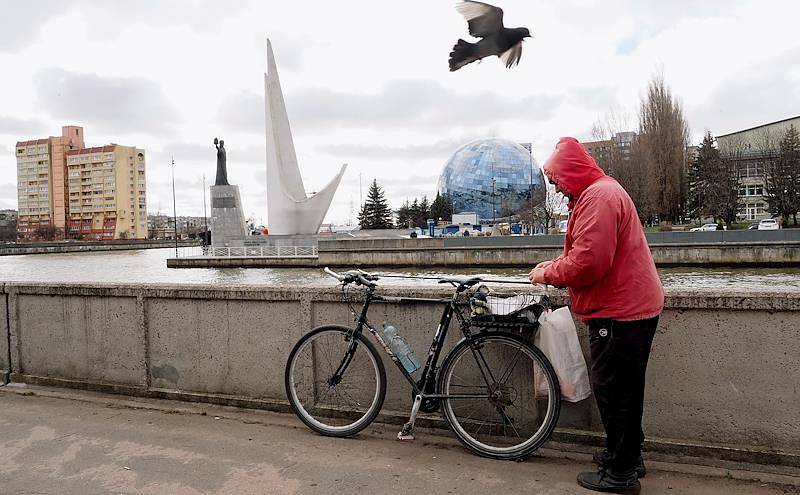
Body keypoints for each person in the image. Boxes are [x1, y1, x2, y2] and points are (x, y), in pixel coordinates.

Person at [529, 137, 664, 495]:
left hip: (619, 311)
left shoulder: (598, 198)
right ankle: (628, 457)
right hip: (632, 306)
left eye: (557, 180)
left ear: (571, 173)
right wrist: (555, 264)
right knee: (627, 390)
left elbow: (589, 263)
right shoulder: (603, 191)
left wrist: (548, 274)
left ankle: (620, 475)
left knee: (613, 392)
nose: (556, 187)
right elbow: (589, 251)